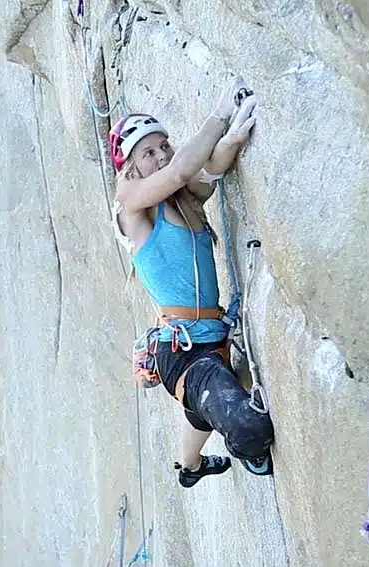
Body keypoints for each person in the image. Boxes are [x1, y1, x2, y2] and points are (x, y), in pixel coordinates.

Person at [110, 76, 276, 488]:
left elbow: (209, 167)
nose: (162, 155)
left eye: (164, 144)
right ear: (131, 167)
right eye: (148, 153)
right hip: (180, 352)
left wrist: (235, 135)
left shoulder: (181, 202)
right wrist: (218, 115)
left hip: (209, 338)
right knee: (246, 423)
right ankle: (246, 449)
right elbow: (185, 167)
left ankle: (190, 466)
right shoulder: (132, 206)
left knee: (203, 403)